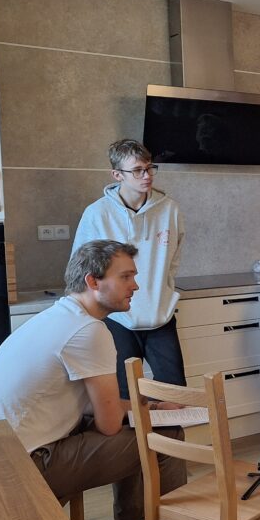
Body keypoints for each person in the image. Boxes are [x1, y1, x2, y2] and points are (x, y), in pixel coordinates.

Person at [0, 240, 190, 520]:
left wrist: (153, 406)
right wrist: (154, 413)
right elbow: (109, 424)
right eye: (125, 277)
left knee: (139, 424)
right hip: (19, 467)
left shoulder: (54, 317)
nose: (135, 285)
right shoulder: (89, 331)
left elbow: (99, 408)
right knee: (165, 435)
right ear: (93, 281)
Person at [72, 139, 186, 400]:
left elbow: (174, 259)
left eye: (149, 168)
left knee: (176, 395)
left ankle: (167, 429)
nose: (146, 176)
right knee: (123, 396)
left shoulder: (170, 209)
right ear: (117, 175)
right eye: (137, 170)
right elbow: (81, 268)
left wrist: (163, 289)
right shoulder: (97, 214)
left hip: (160, 315)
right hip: (116, 319)